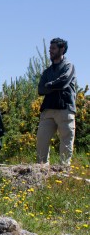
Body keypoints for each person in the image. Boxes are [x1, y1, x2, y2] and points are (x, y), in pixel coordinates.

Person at [36, 37, 77, 165]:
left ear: (62, 49)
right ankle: (41, 172)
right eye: (50, 49)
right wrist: (53, 86)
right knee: (41, 141)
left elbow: (64, 82)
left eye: (53, 48)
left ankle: (64, 171)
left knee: (66, 142)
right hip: (48, 110)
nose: (50, 51)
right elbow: (40, 89)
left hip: (65, 109)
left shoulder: (69, 66)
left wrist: (49, 85)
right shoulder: (47, 71)